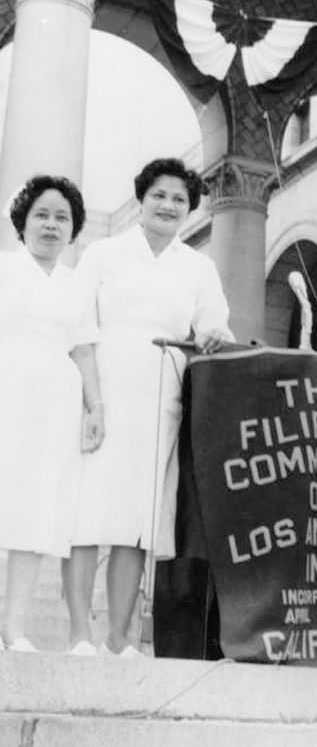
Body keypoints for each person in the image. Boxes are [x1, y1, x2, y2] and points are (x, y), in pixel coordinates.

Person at [63, 157, 233, 657]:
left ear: (189, 210)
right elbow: (81, 329)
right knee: (87, 516)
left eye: (179, 199)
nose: (168, 205)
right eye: (159, 195)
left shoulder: (198, 266)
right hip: (103, 395)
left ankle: (119, 636)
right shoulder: (103, 254)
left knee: (137, 526)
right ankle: (79, 633)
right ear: (142, 198)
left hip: (161, 400)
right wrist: (92, 402)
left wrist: (214, 335)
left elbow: (212, 324)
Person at [0, 175, 104, 652]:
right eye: (42, 214)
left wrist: (94, 406)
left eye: (62, 217)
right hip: (8, 395)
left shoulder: (75, 285)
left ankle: (13, 627)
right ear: (23, 220)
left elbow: (83, 350)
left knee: (33, 513)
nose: (51, 224)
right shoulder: (4, 270)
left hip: (54, 408)